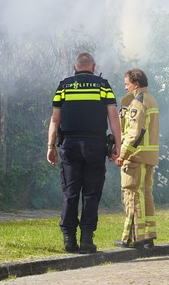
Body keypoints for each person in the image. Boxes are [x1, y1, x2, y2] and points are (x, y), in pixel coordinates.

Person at [46, 52, 121, 254]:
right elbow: (114, 118)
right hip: (95, 145)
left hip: (69, 145)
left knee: (70, 192)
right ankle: (87, 240)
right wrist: (118, 146)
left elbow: (55, 121)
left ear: (75, 67)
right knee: (91, 193)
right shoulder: (102, 85)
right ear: (93, 67)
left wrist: (50, 147)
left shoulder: (64, 85)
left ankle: (69, 240)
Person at [115, 68, 160, 249]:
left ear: (136, 84)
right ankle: (148, 235)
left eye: (127, 84)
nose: (125, 88)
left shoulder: (138, 103)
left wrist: (122, 155)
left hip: (136, 156)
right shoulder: (151, 99)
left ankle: (133, 238)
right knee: (145, 194)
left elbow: (134, 133)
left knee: (132, 194)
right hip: (149, 156)